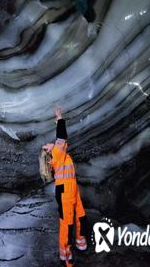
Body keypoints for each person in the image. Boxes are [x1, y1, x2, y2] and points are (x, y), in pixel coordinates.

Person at [43, 106, 87, 267]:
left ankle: (81, 243)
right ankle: (66, 257)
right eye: (49, 145)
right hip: (65, 193)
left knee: (80, 216)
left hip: (72, 189)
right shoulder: (57, 154)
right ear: (49, 152)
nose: (51, 143)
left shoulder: (60, 154)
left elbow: (62, 140)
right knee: (67, 225)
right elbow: (61, 136)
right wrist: (59, 118)